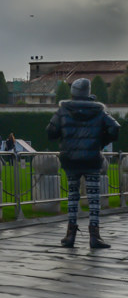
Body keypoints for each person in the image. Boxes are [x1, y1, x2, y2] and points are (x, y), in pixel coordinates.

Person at [47, 78, 119, 249]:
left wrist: (64, 138)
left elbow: (50, 131)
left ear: (73, 92)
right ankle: (94, 236)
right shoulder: (99, 111)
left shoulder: (63, 109)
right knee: (94, 198)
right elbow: (115, 128)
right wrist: (100, 142)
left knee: (72, 196)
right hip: (92, 158)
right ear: (88, 93)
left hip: (70, 158)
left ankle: (70, 235)